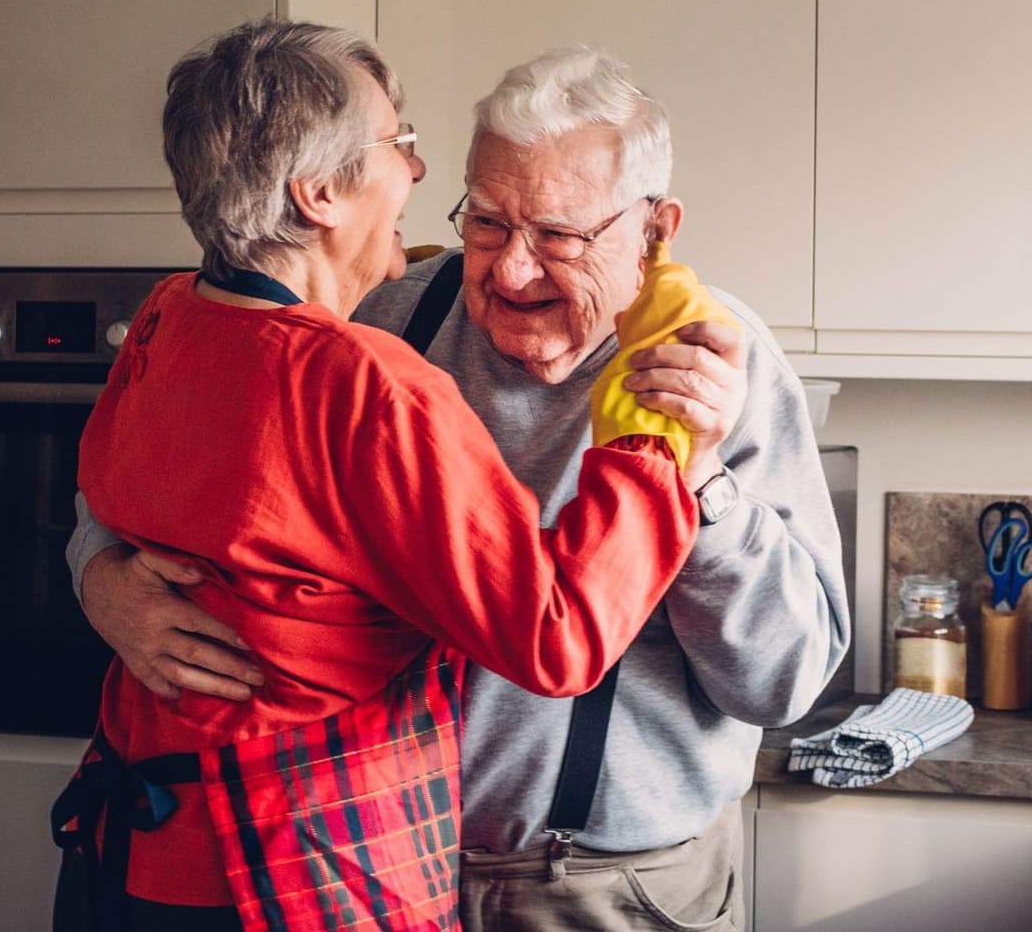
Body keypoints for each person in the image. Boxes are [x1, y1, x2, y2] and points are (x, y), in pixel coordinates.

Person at [73, 45, 850, 930]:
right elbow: (153, 475)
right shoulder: (382, 317)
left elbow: (786, 683)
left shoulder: (717, 369)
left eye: (559, 235)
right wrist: (102, 580)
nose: (513, 270)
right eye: (487, 223)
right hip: (354, 867)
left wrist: (699, 479)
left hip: (605, 891)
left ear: (654, 229)